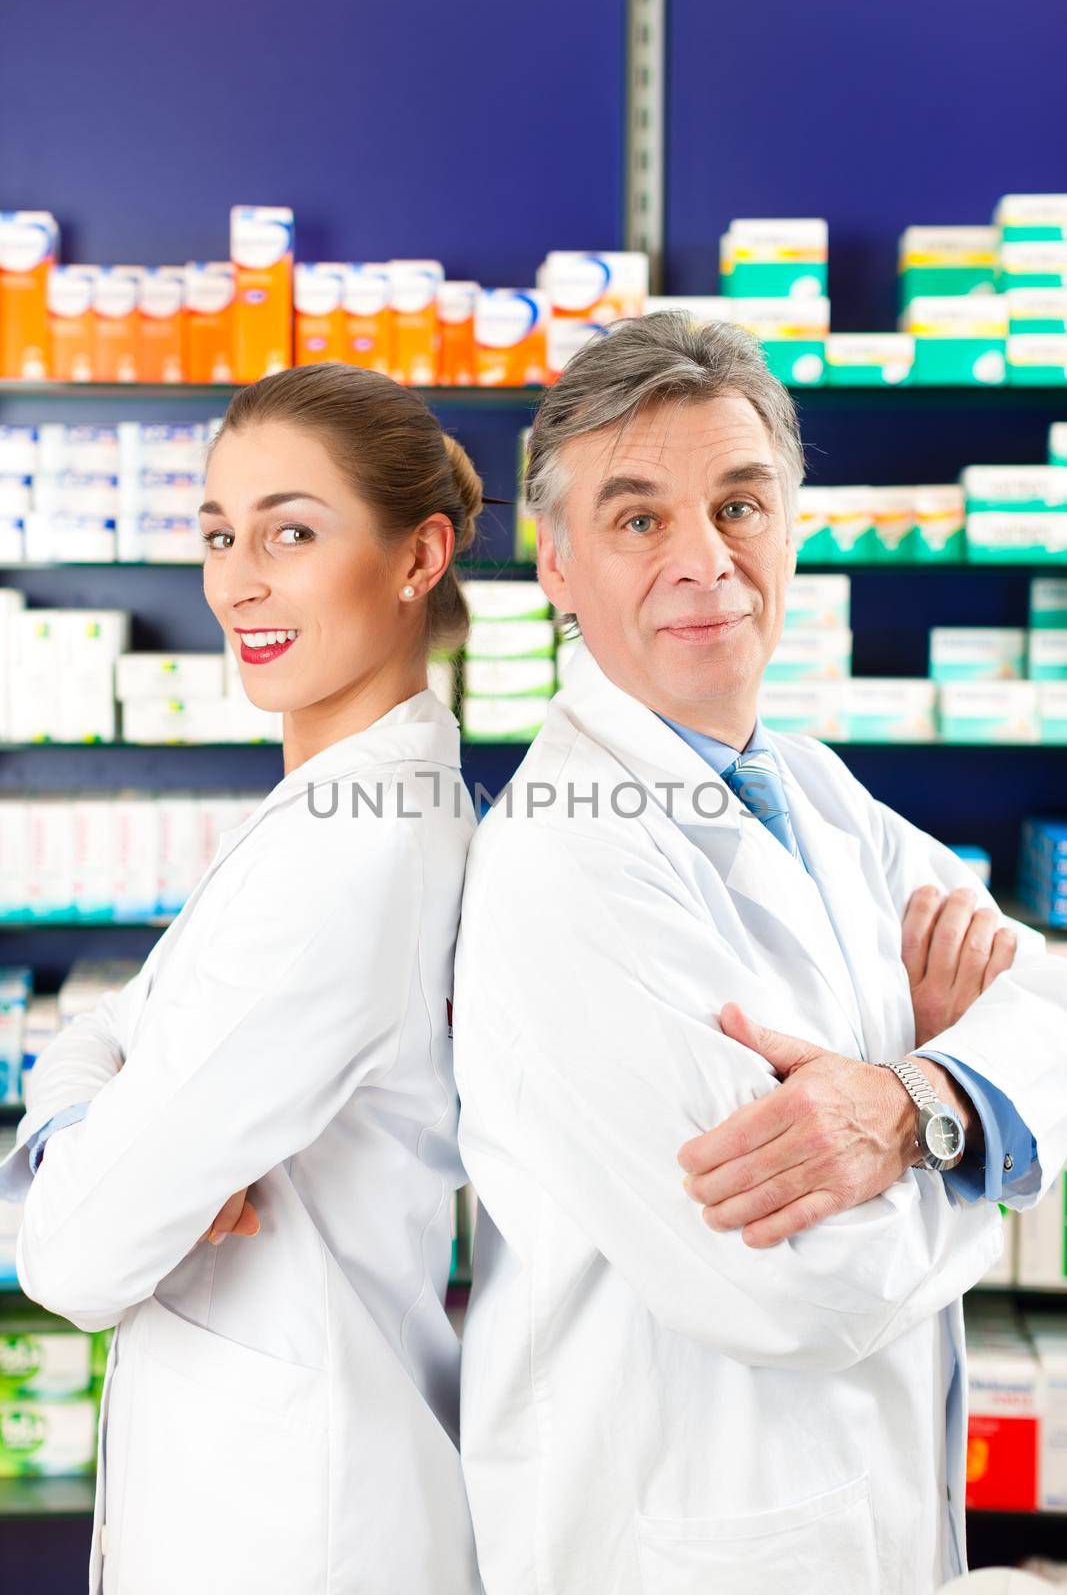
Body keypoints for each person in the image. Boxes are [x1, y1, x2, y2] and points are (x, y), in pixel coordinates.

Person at [452, 314, 1067, 1595]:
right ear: (555, 565)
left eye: (739, 503)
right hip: (675, 1548)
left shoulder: (814, 791)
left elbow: (1052, 995)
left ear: (789, 524)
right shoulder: (565, 863)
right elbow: (794, 1290)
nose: (703, 561)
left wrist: (923, 1099)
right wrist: (992, 1141)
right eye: (636, 520)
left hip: (867, 1525)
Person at [0, 364, 483, 1595]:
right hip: (293, 1473)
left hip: (296, 1530)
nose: (236, 582)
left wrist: (85, 1125)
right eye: (220, 534)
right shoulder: (345, 804)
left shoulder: (347, 856)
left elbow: (71, 1255)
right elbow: (107, 1026)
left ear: (416, 555)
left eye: (292, 532)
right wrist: (109, 1111)